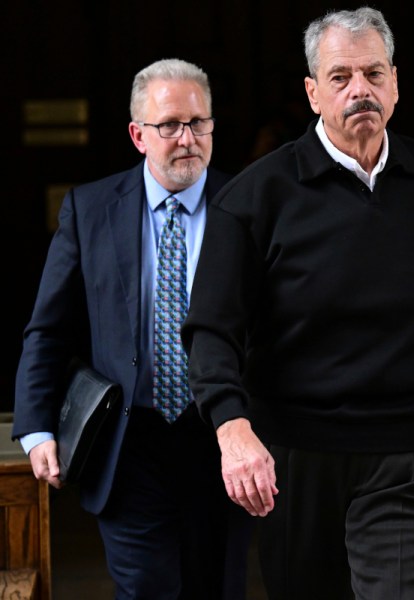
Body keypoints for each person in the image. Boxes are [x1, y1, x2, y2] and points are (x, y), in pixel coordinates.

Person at [181, 7, 414, 600]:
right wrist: (232, 429)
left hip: (409, 454)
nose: (359, 90)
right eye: (340, 77)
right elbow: (211, 330)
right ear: (313, 93)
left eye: (373, 73)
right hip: (296, 458)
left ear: (395, 83)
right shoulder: (255, 198)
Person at [12, 58, 251, 599]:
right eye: (170, 125)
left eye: (199, 123)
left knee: (219, 588)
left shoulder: (248, 205)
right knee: (145, 589)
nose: (187, 138)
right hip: (129, 441)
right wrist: (36, 427)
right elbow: (48, 327)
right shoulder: (91, 208)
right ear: (138, 134)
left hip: (221, 439)